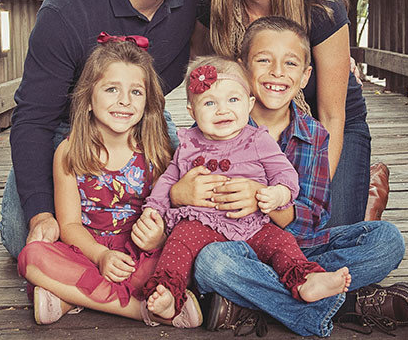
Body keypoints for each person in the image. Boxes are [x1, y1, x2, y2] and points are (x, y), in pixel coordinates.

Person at [1, 0, 202, 259]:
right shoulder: (67, 10)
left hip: (145, 119)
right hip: (70, 125)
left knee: (176, 220)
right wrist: (41, 214)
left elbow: (253, 24)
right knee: (25, 234)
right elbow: (32, 118)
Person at [193, 17, 408, 337]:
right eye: (263, 60)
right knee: (211, 263)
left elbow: (310, 219)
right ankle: (346, 305)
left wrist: (261, 198)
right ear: (242, 69)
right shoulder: (218, 126)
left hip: (303, 250)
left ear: (304, 77)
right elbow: (203, 217)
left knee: (387, 241)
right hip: (243, 249)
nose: (277, 72)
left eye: (290, 63)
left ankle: (251, 300)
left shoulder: (313, 136)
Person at [192, 0, 371, 226]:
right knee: (233, 229)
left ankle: (366, 197)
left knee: (318, 232)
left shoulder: (321, 5)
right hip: (252, 125)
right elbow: (208, 89)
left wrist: (302, 201)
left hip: (326, 125)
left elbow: (332, 115)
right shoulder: (210, 3)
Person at [141, 56, 351, 323]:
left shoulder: (257, 140)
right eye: (209, 103)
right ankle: (169, 294)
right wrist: (154, 210)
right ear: (192, 112)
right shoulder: (188, 143)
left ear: (249, 104)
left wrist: (277, 195)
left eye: (233, 100)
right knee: (178, 243)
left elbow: (286, 175)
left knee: (282, 242)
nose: (222, 110)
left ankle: (304, 279)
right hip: (201, 225)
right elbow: (168, 180)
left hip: (252, 225)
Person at [19, 37, 204, 326]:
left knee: (181, 259)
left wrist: (160, 237)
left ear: (148, 102)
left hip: (138, 254)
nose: (125, 101)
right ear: (89, 99)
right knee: (32, 256)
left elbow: (168, 215)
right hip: (88, 251)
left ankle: (70, 298)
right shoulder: (69, 151)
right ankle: (140, 309)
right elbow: (69, 226)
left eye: (136, 92)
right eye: (111, 89)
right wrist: (102, 256)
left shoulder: (156, 150)